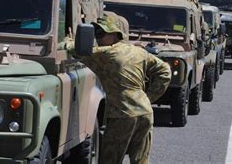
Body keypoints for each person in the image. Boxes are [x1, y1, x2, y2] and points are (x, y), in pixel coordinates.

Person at [63, 13, 171, 164]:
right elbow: (165, 71)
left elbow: (76, 49)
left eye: (102, 34)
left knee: (110, 160)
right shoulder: (138, 51)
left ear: (114, 34)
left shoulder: (108, 53)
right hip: (145, 112)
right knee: (141, 160)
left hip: (122, 115)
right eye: (96, 34)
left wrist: (68, 40)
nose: (98, 38)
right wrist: (148, 98)